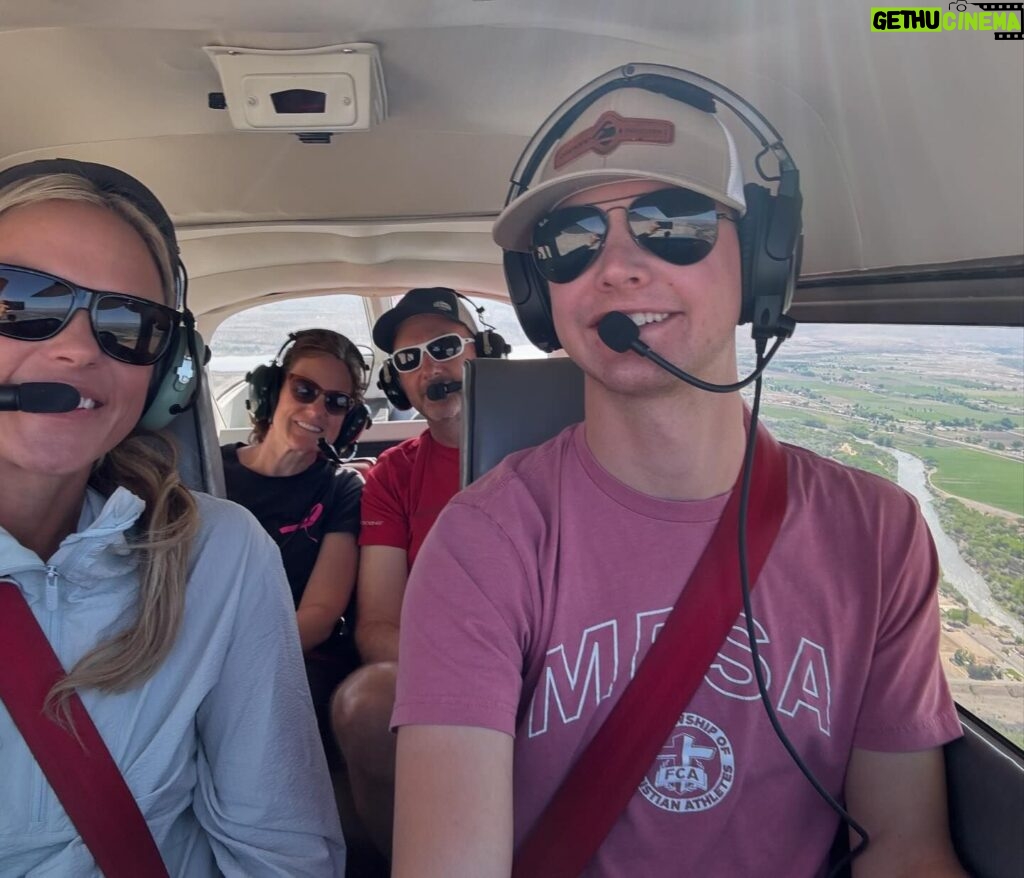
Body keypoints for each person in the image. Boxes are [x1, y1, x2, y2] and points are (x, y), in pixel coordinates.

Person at [390, 71, 967, 876]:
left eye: (675, 222)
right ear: (538, 293)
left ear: (764, 262)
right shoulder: (484, 543)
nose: (619, 266)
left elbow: (904, 847)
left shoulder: (880, 532)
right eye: (572, 240)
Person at [0, 159, 344, 875]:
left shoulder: (217, 552)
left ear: (165, 375)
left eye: (129, 322)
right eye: (22, 301)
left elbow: (282, 854)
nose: (76, 348)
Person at [330, 286, 507, 858]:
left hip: (562, 666)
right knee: (363, 703)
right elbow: (377, 624)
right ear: (398, 385)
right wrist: (475, 684)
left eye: (445, 347)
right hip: (445, 675)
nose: (431, 367)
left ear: (483, 351)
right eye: (409, 361)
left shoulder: (556, 448)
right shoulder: (391, 478)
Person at [220, 328, 369, 759]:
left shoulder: (343, 489)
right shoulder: (208, 473)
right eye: (304, 389)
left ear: (349, 421)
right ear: (271, 391)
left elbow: (319, 615)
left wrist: (234, 666)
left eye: (337, 402)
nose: (316, 409)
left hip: (296, 658)